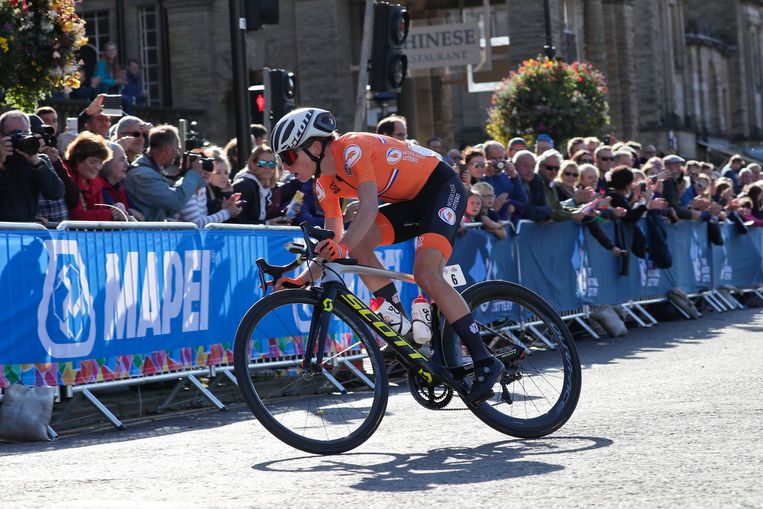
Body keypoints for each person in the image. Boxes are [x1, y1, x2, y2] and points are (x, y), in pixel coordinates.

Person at [269, 107, 505, 403]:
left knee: (427, 273)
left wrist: (340, 247)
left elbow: (368, 207)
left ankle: (485, 360)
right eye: (282, 160)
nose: (286, 166)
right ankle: (402, 328)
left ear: (315, 147)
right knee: (356, 245)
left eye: (289, 157)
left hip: (441, 188)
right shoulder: (323, 184)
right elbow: (335, 242)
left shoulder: (351, 148)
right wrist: (300, 280)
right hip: (411, 202)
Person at [123, 125, 204, 221]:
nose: (178, 153)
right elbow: (175, 202)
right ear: (167, 149)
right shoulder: (142, 175)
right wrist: (193, 174)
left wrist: (186, 174)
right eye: (177, 148)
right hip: (142, 234)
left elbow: (169, 207)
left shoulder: (151, 170)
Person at [0, 110, 65, 222]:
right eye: (14, 133)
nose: (21, 137)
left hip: (24, 233)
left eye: (25, 132)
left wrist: (36, 161)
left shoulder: (37, 160)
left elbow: (56, 193)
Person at [63, 132, 128, 221]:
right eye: (93, 162)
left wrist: (117, 209)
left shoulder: (95, 182)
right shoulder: (66, 178)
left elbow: (98, 209)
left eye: (101, 163)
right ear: (78, 159)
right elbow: (75, 216)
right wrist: (111, 214)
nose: (98, 167)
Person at [232, 145, 279, 224]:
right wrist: (267, 224)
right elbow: (238, 222)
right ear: (253, 164)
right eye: (262, 163)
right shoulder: (245, 185)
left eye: (271, 164)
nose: (267, 167)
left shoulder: (266, 188)